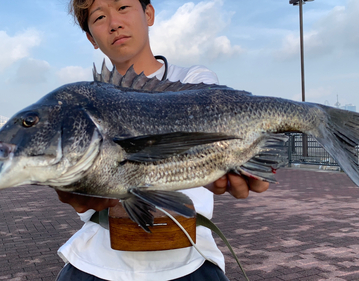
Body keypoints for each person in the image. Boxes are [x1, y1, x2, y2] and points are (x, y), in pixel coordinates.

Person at [56, 0, 269, 280]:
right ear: (90, 38)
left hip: (188, 259)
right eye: (99, 17)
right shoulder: (86, 105)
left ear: (148, 13)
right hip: (96, 261)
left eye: (123, 7)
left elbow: (215, 120)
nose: (114, 23)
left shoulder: (194, 80)